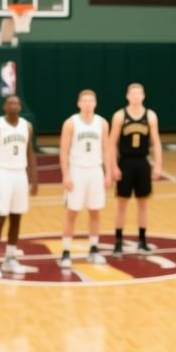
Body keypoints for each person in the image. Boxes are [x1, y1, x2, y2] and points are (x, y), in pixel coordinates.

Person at [0, 95, 37, 280]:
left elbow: (30, 154)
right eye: (10, 103)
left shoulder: (26, 126)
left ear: (20, 106)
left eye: (17, 103)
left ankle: (10, 258)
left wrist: (34, 179)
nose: (14, 105)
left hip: (20, 174)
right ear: (4, 106)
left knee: (16, 219)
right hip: (2, 174)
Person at [108, 83, 163, 257]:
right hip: (125, 162)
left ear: (143, 96)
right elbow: (111, 144)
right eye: (133, 93)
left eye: (139, 93)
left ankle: (142, 241)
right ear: (127, 96)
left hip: (142, 162)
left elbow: (157, 142)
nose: (136, 96)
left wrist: (158, 165)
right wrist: (113, 166)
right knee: (121, 205)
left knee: (143, 205)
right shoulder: (119, 116)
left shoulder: (150, 116)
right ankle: (118, 242)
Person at [58, 90, 111, 269]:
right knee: (72, 212)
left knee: (95, 211)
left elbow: (106, 150)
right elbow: (64, 151)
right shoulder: (71, 123)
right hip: (77, 171)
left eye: (91, 100)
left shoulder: (102, 123)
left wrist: (108, 173)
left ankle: (94, 249)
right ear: (79, 103)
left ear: (95, 103)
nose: (88, 104)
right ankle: (65, 252)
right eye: (85, 101)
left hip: (95, 170)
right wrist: (65, 174)